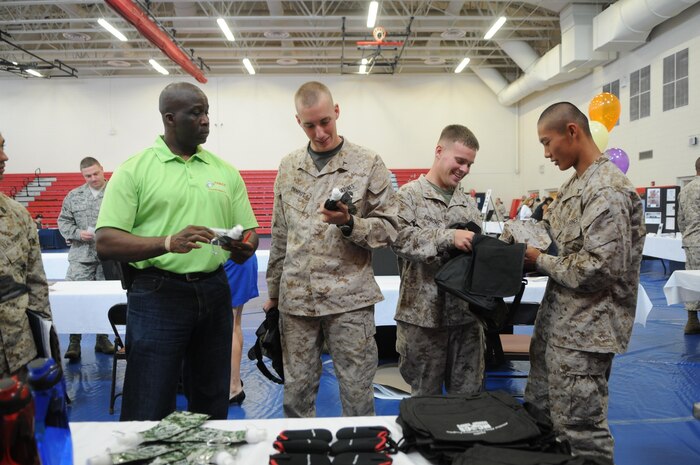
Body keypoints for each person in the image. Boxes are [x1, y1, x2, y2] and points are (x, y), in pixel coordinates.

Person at [95, 82, 259, 421]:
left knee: (213, 398)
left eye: (207, 112)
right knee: (149, 398)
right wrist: (167, 242)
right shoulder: (134, 170)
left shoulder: (224, 171)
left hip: (214, 290)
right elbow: (106, 242)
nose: (205, 120)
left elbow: (250, 231)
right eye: (195, 113)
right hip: (157, 293)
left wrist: (245, 247)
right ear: (170, 118)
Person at [265, 81, 398, 418]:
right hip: (296, 301)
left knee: (357, 394)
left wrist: (350, 223)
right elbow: (280, 233)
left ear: (336, 112)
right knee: (296, 394)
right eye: (310, 124)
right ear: (298, 121)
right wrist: (274, 292)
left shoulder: (367, 162)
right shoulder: (288, 165)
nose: (320, 132)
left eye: (325, 121)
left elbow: (390, 227)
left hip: (349, 300)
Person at [523, 102, 645, 463]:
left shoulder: (607, 190)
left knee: (580, 431)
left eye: (548, 142)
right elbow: (559, 239)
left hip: (586, 333)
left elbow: (599, 268)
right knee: (544, 417)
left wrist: (537, 259)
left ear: (572, 131)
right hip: (560, 325)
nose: (546, 153)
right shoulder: (577, 183)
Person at [391, 124, 484, 396]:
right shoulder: (408, 196)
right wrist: (448, 237)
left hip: (466, 320)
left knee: (468, 403)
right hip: (422, 321)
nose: (464, 169)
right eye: (460, 161)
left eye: (470, 164)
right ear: (439, 151)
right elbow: (399, 240)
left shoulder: (467, 204)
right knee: (424, 403)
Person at [0, 132, 54, 378]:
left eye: (3, 147)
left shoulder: (18, 216)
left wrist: (46, 347)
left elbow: (37, 288)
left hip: (19, 358)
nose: (5, 157)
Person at [57, 157, 114, 360]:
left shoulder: (116, 192)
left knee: (106, 301)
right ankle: (74, 342)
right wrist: (78, 233)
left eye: (95, 174)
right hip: (81, 257)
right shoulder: (74, 195)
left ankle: (103, 339)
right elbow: (63, 222)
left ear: (102, 170)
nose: (92, 178)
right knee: (76, 300)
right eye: (87, 176)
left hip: (109, 257)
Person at [224, 255, 259, 404]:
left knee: (228, 327)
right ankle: (234, 381)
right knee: (235, 323)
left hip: (233, 260)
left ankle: (233, 386)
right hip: (244, 259)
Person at [677, 157, 700, 335]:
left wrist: (688, 234)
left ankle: (692, 320)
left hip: (691, 242)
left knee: (692, 280)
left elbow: (681, 220)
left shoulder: (684, 190)